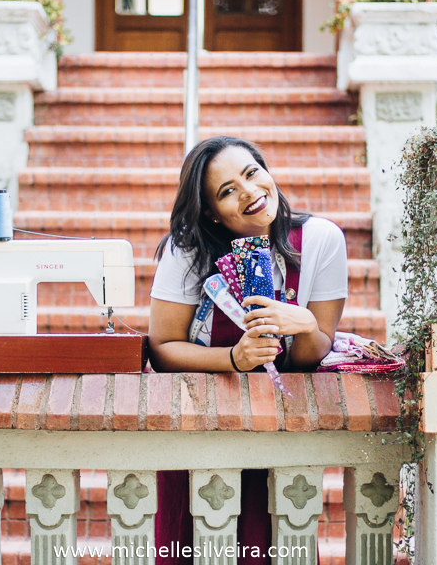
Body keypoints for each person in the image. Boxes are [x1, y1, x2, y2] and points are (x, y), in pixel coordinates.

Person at [148, 136, 348, 565]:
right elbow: (162, 350)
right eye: (227, 191)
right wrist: (233, 359)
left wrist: (306, 325)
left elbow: (310, 355)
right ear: (210, 212)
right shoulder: (188, 252)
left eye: (252, 173)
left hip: (279, 429)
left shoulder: (319, 241)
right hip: (196, 428)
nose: (250, 192)